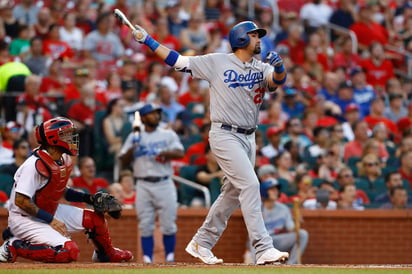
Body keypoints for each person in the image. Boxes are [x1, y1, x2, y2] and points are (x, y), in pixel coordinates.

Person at [129, 20, 289, 264]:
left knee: (233, 193)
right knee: (250, 185)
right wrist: (147, 40)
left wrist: (279, 69)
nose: (259, 40)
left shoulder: (260, 67)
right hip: (225, 134)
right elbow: (178, 61)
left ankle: (201, 242)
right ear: (241, 38)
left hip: (248, 137)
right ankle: (263, 247)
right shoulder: (217, 61)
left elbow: (276, 82)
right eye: (255, 35)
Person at [0, 117, 133, 263]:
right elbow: (21, 201)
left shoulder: (63, 158)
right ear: (54, 138)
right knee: (69, 252)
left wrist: (89, 198)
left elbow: (61, 190)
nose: (71, 138)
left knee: (95, 219)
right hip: (25, 218)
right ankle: (14, 245)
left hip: (47, 209)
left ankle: (106, 254)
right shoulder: (33, 165)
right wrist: (51, 220)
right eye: (66, 135)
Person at [119, 103, 184, 263]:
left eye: (156, 113)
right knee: (145, 223)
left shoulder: (167, 134)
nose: (155, 116)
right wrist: (133, 147)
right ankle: (147, 258)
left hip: (164, 181)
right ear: (143, 117)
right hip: (143, 183)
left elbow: (180, 152)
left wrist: (163, 152)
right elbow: (123, 161)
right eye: (151, 113)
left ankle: (170, 257)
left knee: (168, 223)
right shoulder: (135, 136)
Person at [259, 179, 309, 264]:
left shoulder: (283, 208)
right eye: (272, 190)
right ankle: (256, 263)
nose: (275, 192)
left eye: (276, 190)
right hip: (262, 242)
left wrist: (297, 222)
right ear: (264, 192)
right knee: (252, 239)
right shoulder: (257, 208)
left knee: (302, 234)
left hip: (277, 239)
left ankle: (291, 265)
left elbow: (291, 229)